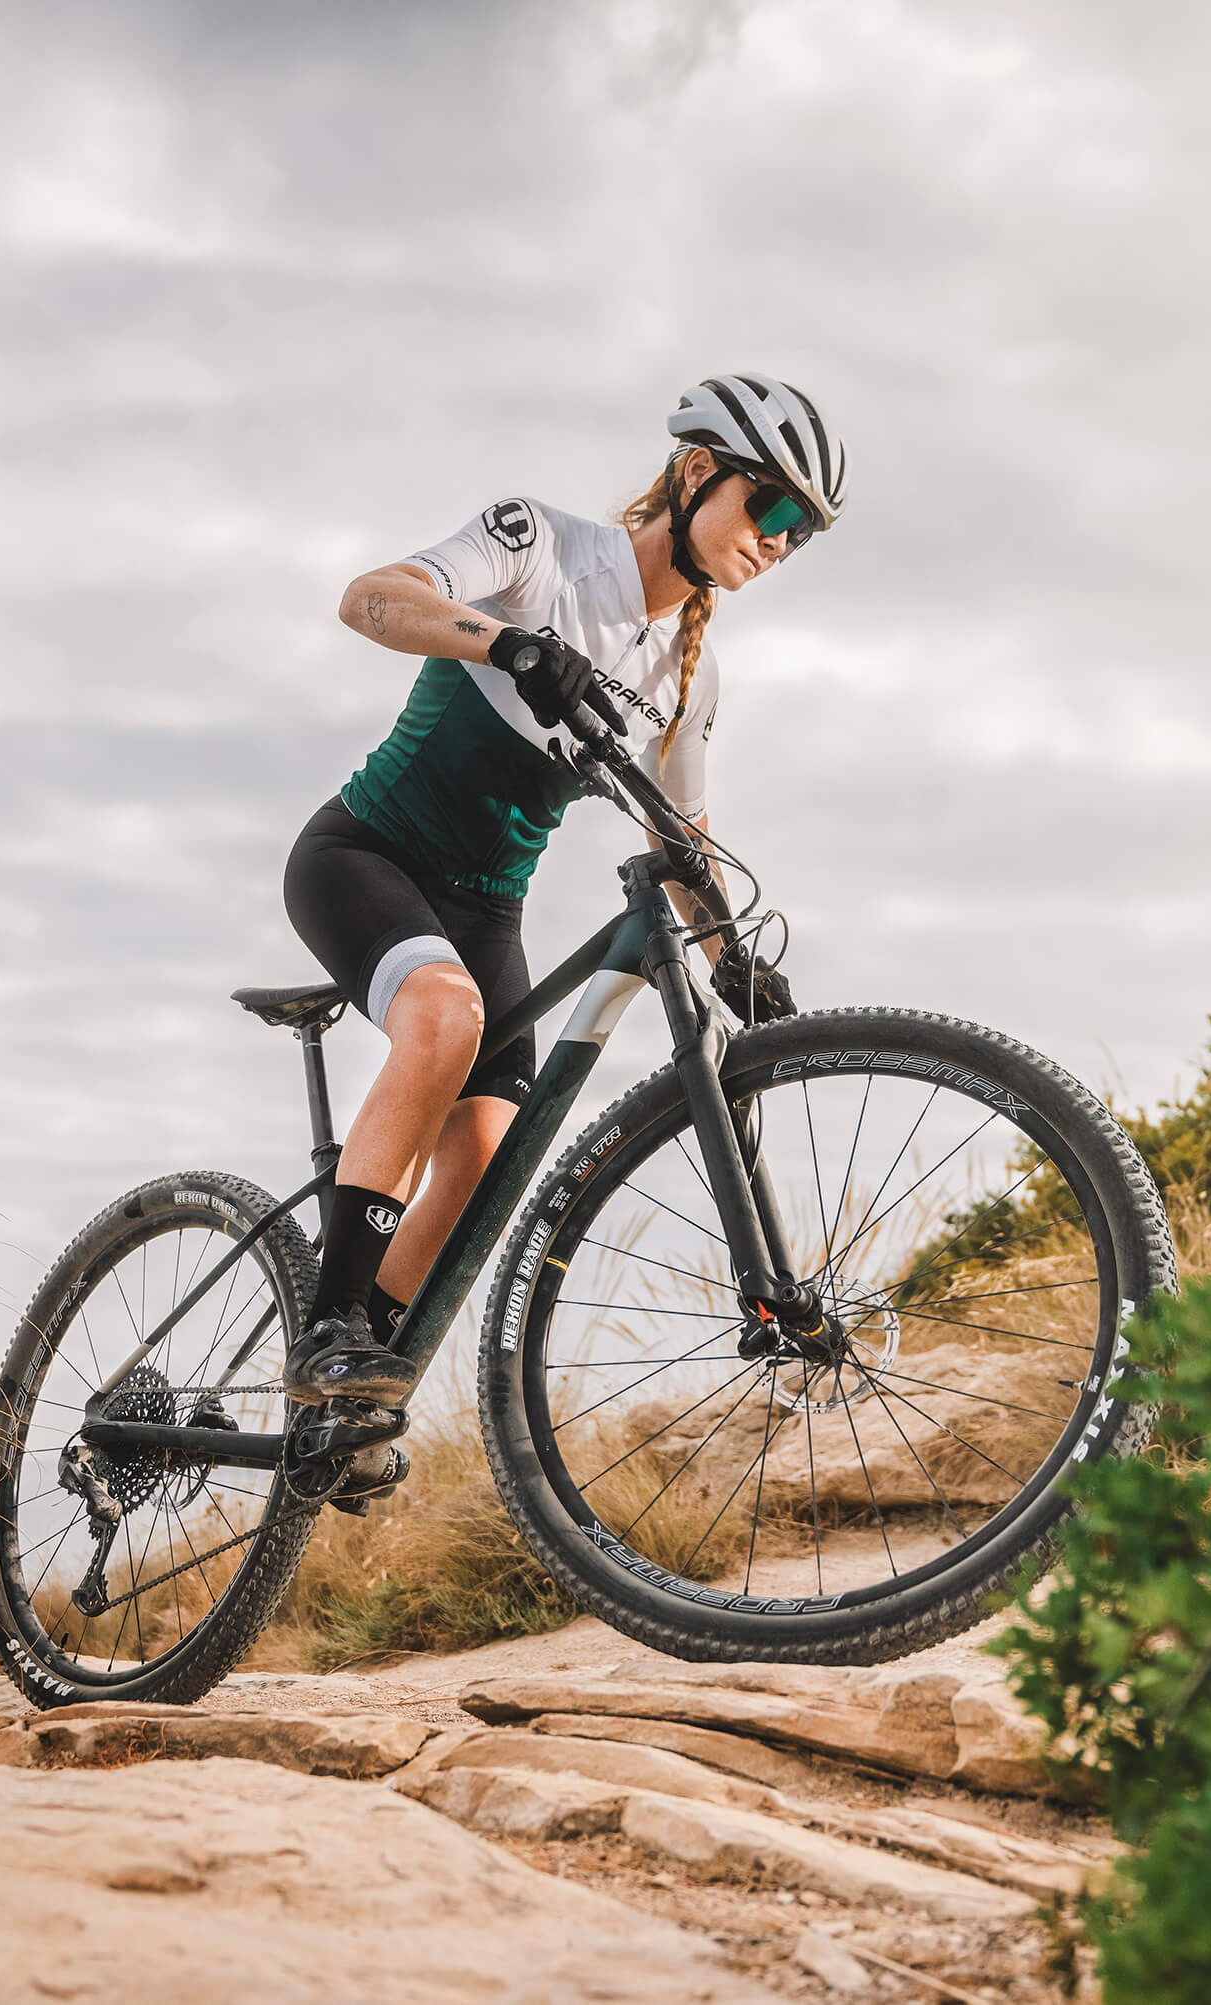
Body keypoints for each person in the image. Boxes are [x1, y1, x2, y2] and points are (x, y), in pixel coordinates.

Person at [277, 375, 848, 1405]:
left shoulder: (687, 674)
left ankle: (360, 1390)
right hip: (366, 855)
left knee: (490, 1149)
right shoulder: (537, 543)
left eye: (798, 533)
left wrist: (732, 966)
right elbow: (368, 598)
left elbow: (682, 835)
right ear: (696, 471)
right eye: (769, 507)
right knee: (444, 1021)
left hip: (486, 909)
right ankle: (326, 1328)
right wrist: (504, 640)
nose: (775, 541)